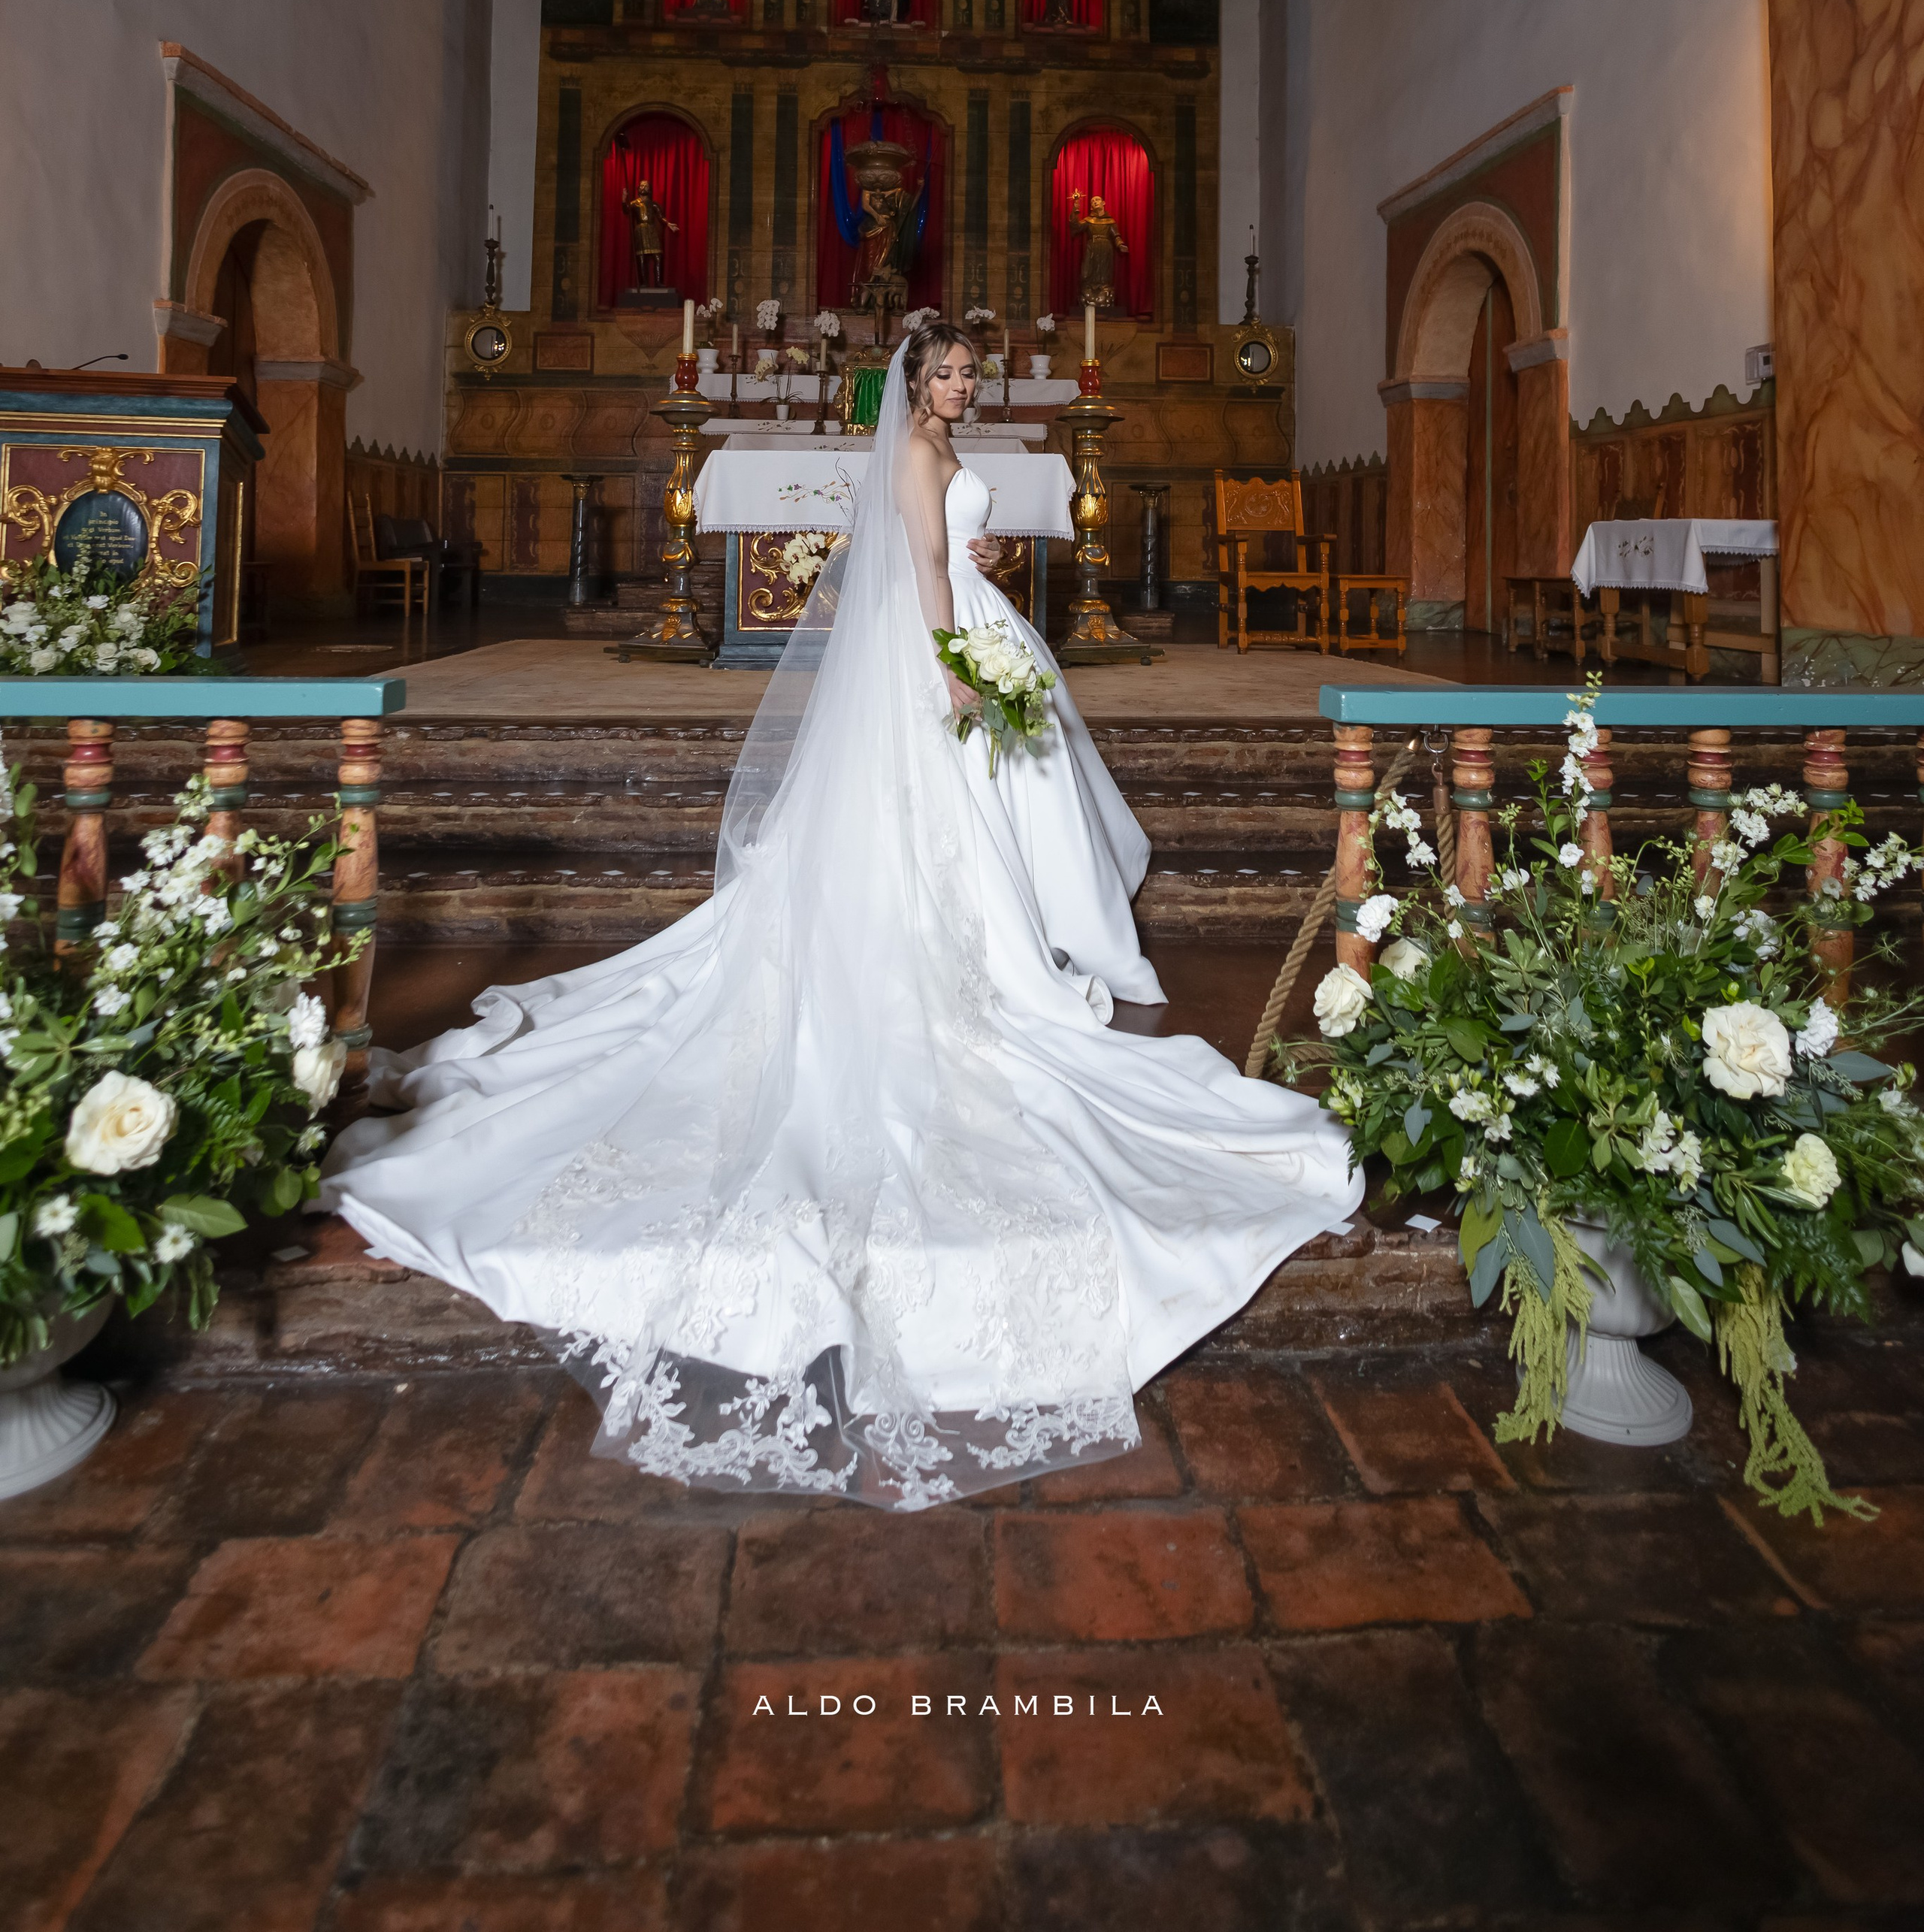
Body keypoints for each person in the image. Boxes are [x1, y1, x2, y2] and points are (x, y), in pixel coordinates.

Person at [322, 322, 1359, 1506]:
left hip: (964, 628)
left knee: (1002, 809)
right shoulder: (916, 455)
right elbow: (925, 570)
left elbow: (941, 561)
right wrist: (958, 670)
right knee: (950, 820)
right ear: (914, 382)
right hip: (943, 643)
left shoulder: (931, 441)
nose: (964, 386)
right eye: (949, 372)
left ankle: (1021, 927)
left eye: (973, 372)